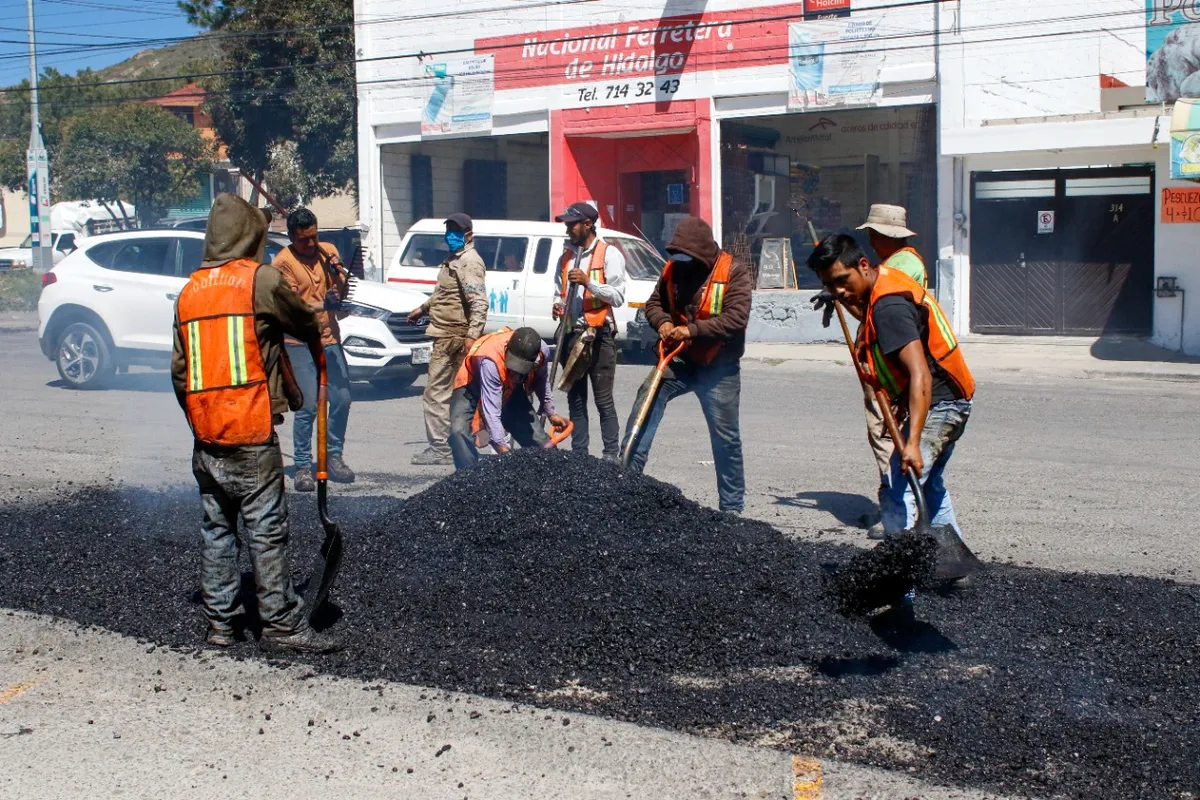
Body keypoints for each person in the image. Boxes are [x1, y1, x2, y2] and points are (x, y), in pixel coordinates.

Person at [170, 193, 341, 654]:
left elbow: (181, 373)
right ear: (250, 235)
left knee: (218, 530)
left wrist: (202, 421)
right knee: (266, 530)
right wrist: (317, 317)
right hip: (248, 429)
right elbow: (303, 316)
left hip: (207, 438)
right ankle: (281, 625)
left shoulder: (189, 292)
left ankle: (221, 627)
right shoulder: (258, 280)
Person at [807, 234, 975, 544]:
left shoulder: (889, 307)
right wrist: (841, 300)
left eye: (842, 281)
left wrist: (912, 442)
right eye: (831, 285)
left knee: (900, 487)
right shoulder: (880, 284)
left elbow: (920, 374)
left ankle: (901, 581)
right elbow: (868, 317)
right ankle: (954, 562)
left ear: (863, 264)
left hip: (940, 401)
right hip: (949, 397)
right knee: (928, 485)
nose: (839, 291)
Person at [619, 217, 752, 514]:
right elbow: (653, 304)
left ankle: (731, 511)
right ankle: (626, 482)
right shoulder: (673, 270)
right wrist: (664, 322)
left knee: (725, 438)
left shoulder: (734, 272)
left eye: (689, 260)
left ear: (704, 255)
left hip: (719, 367)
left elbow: (736, 318)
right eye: (679, 259)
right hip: (680, 360)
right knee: (646, 402)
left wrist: (692, 330)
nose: (683, 266)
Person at [272, 207, 354, 491]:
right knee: (308, 405)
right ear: (291, 237)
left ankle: (333, 457)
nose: (311, 243)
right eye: (304, 239)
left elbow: (341, 294)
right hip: (299, 341)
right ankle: (304, 466)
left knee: (342, 398)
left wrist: (338, 279)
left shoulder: (327, 251)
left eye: (314, 237)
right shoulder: (283, 263)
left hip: (329, 338)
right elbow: (292, 307)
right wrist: (323, 304)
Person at [408, 213, 489, 466]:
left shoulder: (468, 262)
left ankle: (441, 447)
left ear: (469, 235)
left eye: (456, 231)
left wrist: (471, 336)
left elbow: (479, 302)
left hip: (452, 337)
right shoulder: (454, 260)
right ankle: (458, 442)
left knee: (435, 395)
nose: (450, 235)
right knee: (455, 393)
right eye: (448, 230)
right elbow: (445, 294)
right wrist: (422, 309)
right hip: (447, 334)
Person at [551, 202, 626, 461]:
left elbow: (617, 297)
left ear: (588, 225)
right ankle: (580, 455)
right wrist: (557, 304)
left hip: (599, 335)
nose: (568, 228)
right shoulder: (567, 255)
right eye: (567, 223)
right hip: (572, 334)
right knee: (576, 399)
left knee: (603, 400)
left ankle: (610, 455)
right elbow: (558, 288)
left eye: (573, 223)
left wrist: (588, 283)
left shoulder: (609, 254)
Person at [447, 326, 568, 470]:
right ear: (507, 350)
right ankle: (468, 477)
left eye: (521, 369)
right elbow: (492, 411)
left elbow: (542, 381)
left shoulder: (542, 351)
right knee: (458, 432)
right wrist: (502, 448)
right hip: (471, 384)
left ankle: (551, 475)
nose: (516, 372)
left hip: (510, 387)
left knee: (541, 444)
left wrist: (550, 412)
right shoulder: (490, 360)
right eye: (514, 367)